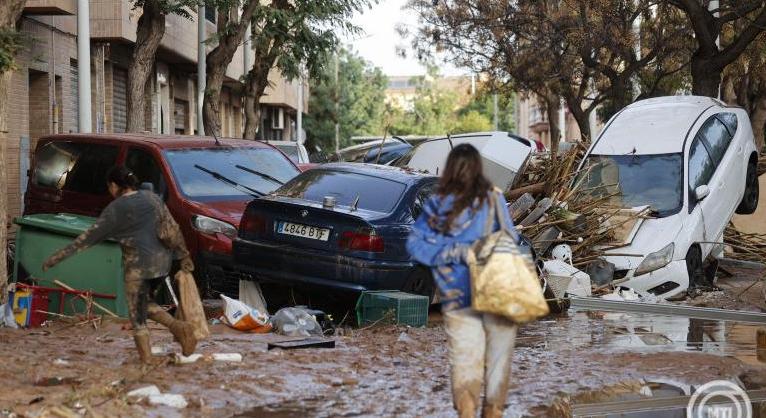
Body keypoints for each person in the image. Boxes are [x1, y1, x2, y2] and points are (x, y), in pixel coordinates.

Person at [406, 144, 520, 418]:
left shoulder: (439, 203)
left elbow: (417, 246)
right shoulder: (493, 198)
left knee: (466, 362)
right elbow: (512, 239)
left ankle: (467, 413)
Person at [42, 166, 197, 364]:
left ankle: (147, 357)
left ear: (114, 186)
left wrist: (56, 258)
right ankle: (178, 328)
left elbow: (87, 239)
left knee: (136, 314)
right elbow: (172, 229)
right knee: (146, 304)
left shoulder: (115, 209)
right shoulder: (152, 199)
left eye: (110, 187)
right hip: (162, 264)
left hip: (138, 268)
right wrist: (184, 255)